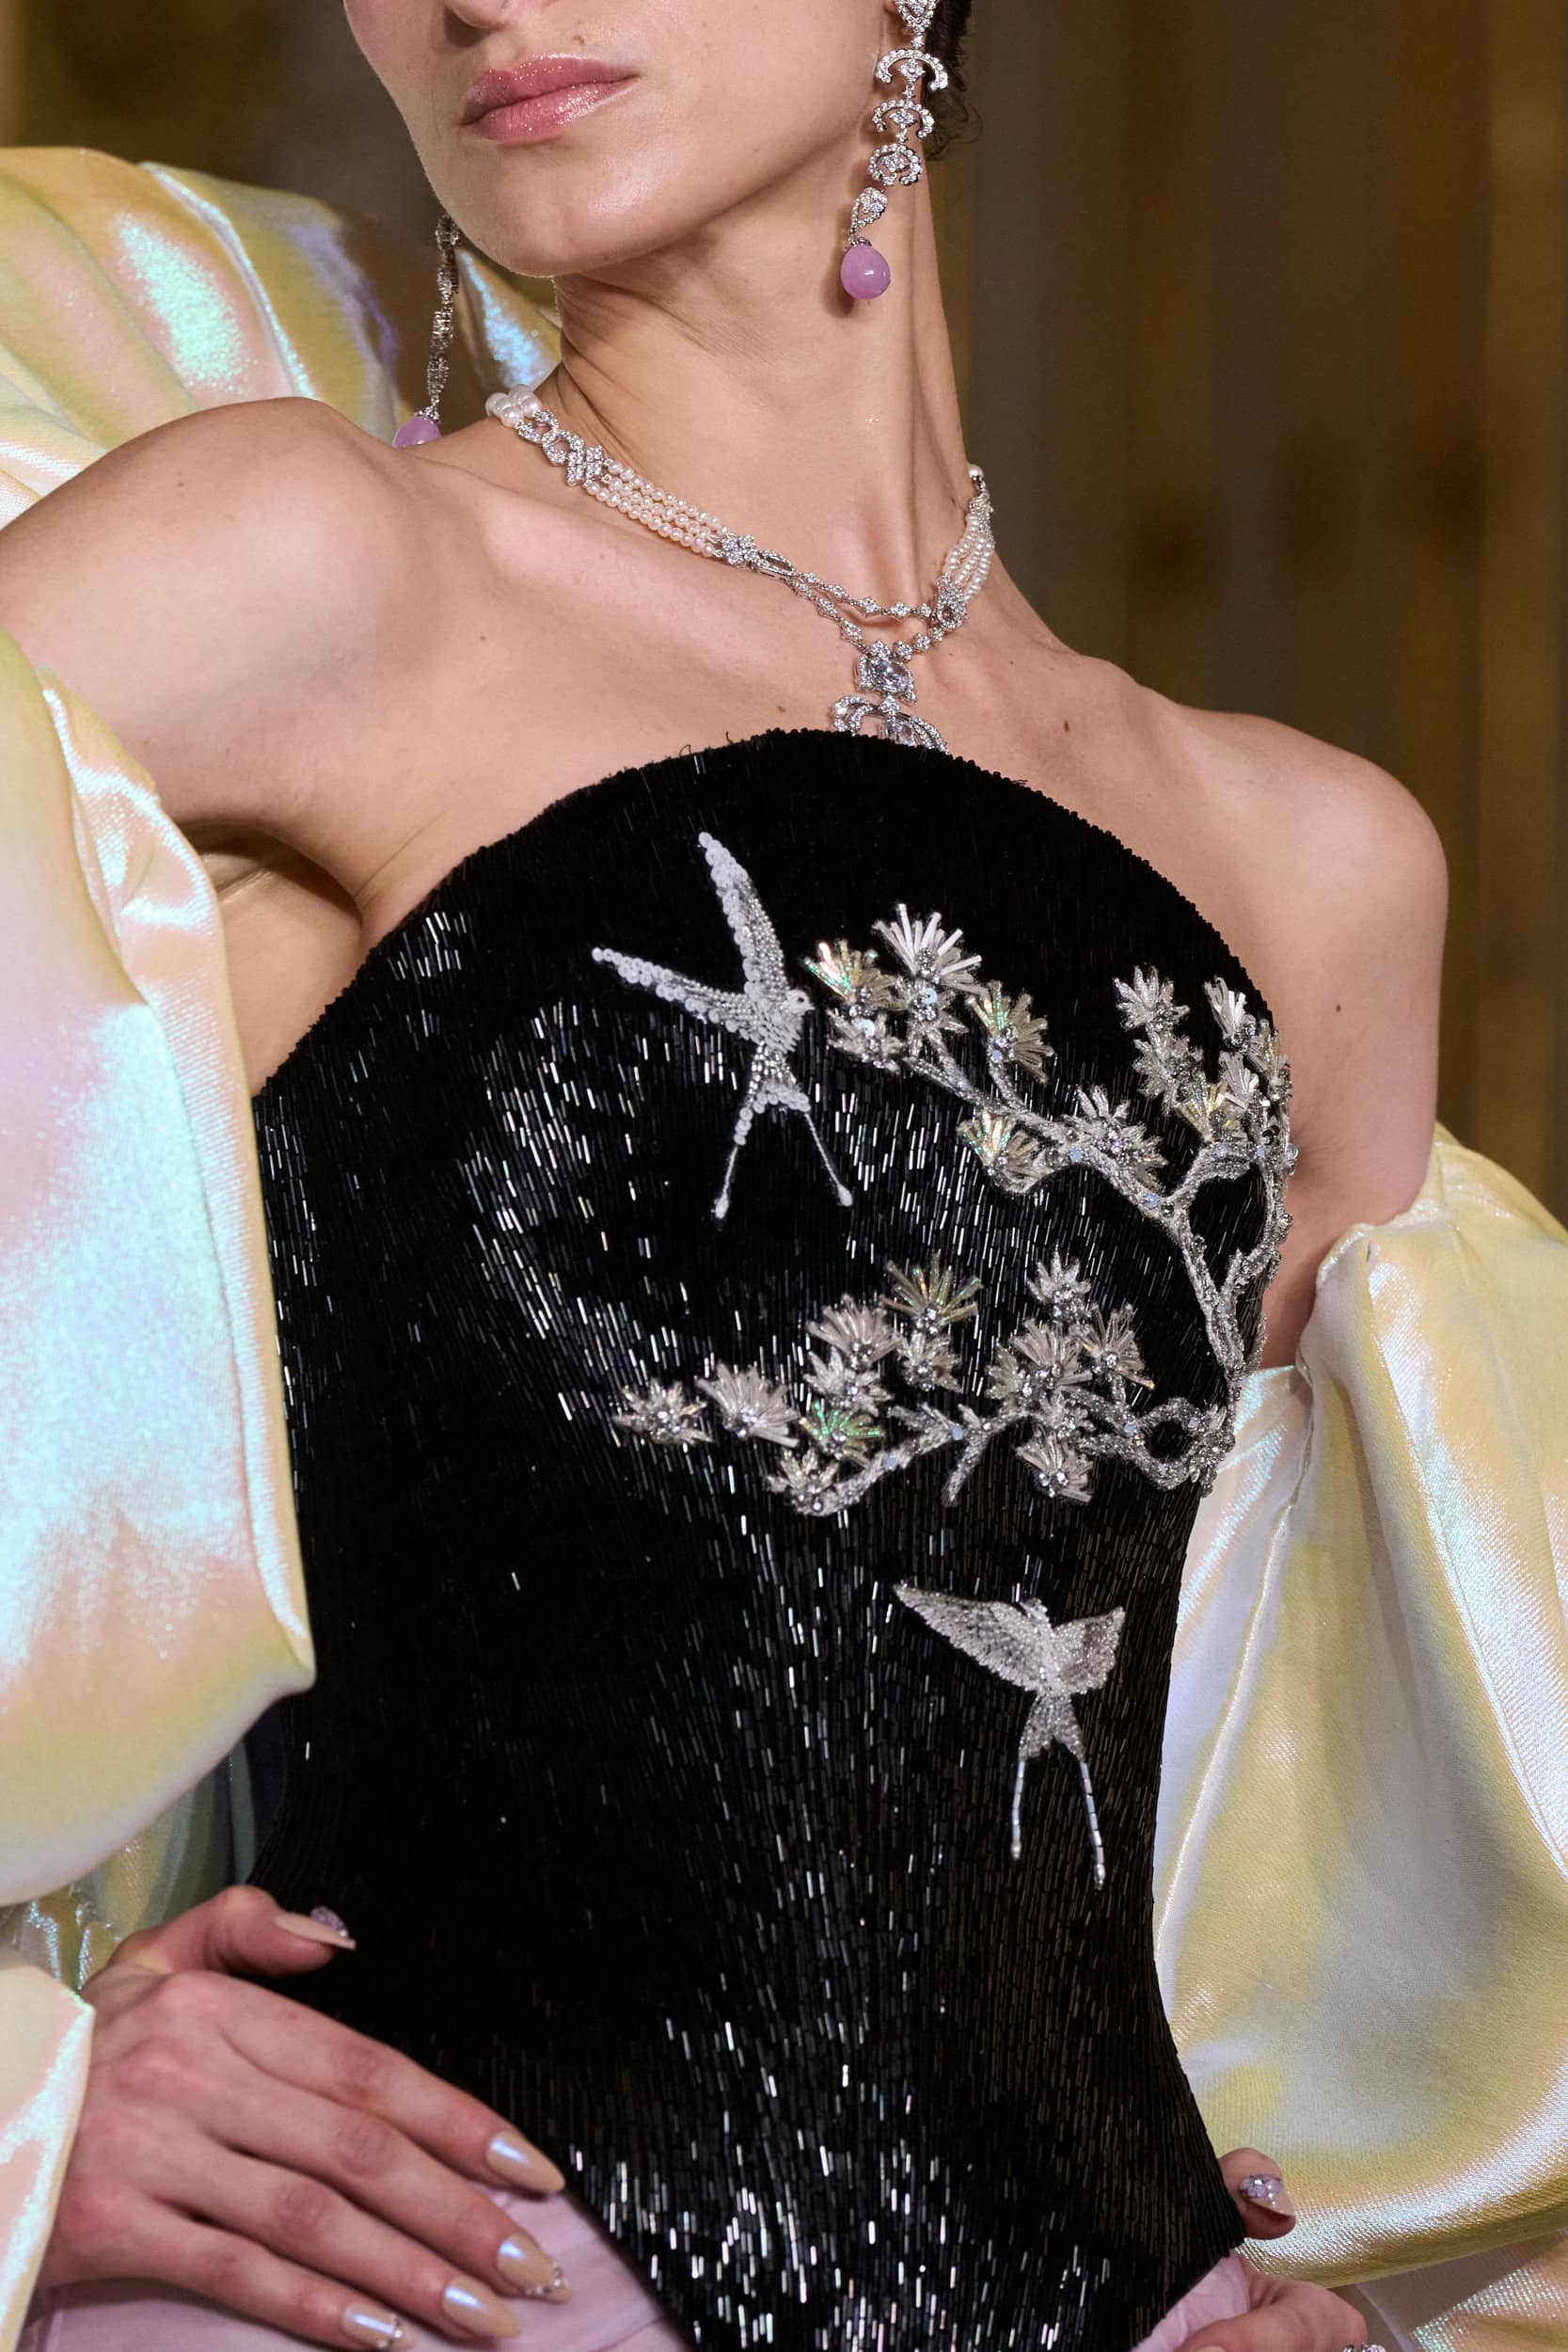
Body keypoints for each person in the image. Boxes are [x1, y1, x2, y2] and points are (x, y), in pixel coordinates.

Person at [0, 0, 1492, 2346]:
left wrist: (1321, 2265)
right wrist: (13, 2096)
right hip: (424, 2285)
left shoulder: (1315, 866)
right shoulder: (307, 570)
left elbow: (1264, 1787)